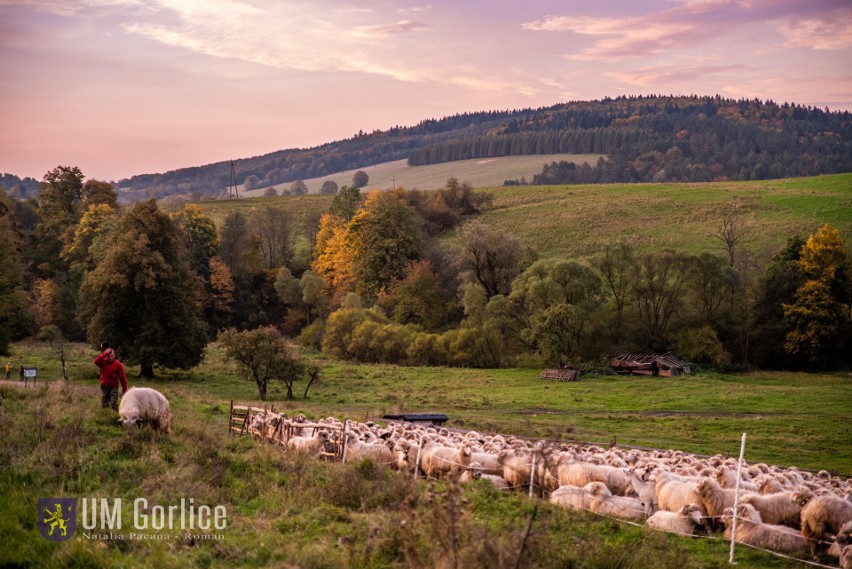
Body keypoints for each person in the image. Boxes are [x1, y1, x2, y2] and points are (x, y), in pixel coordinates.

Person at [94, 342, 128, 411]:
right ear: (106, 356)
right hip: (104, 385)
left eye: (112, 355)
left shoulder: (118, 364)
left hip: (114, 386)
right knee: (104, 404)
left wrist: (124, 391)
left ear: (114, 355)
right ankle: (106, 417)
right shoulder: (103, 362)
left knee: (114, 403)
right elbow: (96, 361)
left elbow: (123, 378)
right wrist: (104, 353)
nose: (110, 357)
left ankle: (115, 415)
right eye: (108, 356)